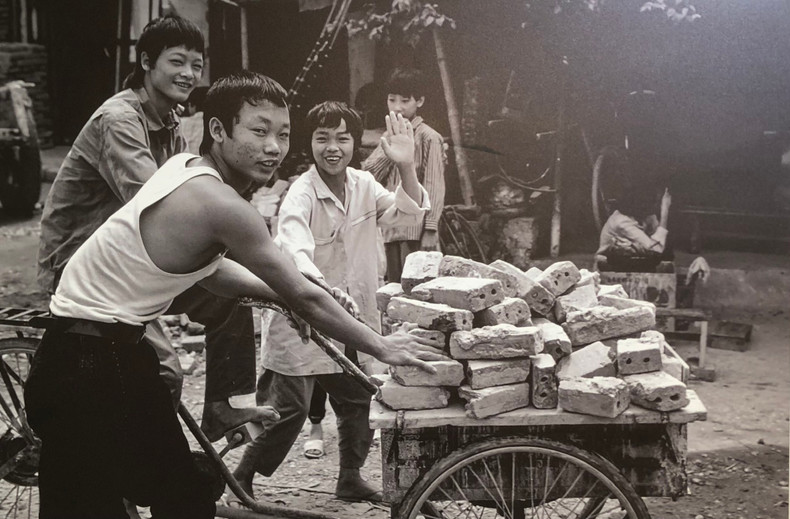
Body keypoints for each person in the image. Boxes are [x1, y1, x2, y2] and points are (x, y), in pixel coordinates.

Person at [24, 71, 443, 519]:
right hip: (91, 362)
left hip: (99, 353)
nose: (273, 148)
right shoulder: (223, 205)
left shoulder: (186, 169)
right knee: (166, 495)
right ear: (218, 130)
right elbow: (304, 295)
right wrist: (380, 344)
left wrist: (280, 296)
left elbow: (211, 271)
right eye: (258, 131)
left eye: (282, 134)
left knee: (175, 492)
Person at [36, 15, 266, 442]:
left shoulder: (171, 120)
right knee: (163, 369)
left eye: (196, 65)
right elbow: (158, 203)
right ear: (145, 61)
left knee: (239, 294)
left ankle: (222, 404)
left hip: (137, 259)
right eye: (177, 61)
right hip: (84, 267)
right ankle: (134, 474)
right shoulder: (119, 119)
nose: (189, 74)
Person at [229, 100, 430, 505]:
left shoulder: (363, 185)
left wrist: (406, 166)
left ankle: (350, 478)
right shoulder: (300, 194)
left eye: (342, 138)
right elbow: (293, 249)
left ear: (355, 143)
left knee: (361, 398)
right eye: (322, 138)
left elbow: (407, 212)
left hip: (352, 317)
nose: (332, 147)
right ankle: (240, 480)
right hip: (301, 317)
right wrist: (320, 286)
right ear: (311, 143)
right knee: (287, 411)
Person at [362, 67, 446, 282]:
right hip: (391, 227)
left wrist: (431, 229)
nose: (397, 107)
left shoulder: (429, 137)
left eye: (405, 100)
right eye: (392, 100)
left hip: (417, 231)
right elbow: (369, 173)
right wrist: (390, 146)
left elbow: (434, 185)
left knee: (419, 289)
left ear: (419, 101)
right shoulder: (388, 136)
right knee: (392, 288)